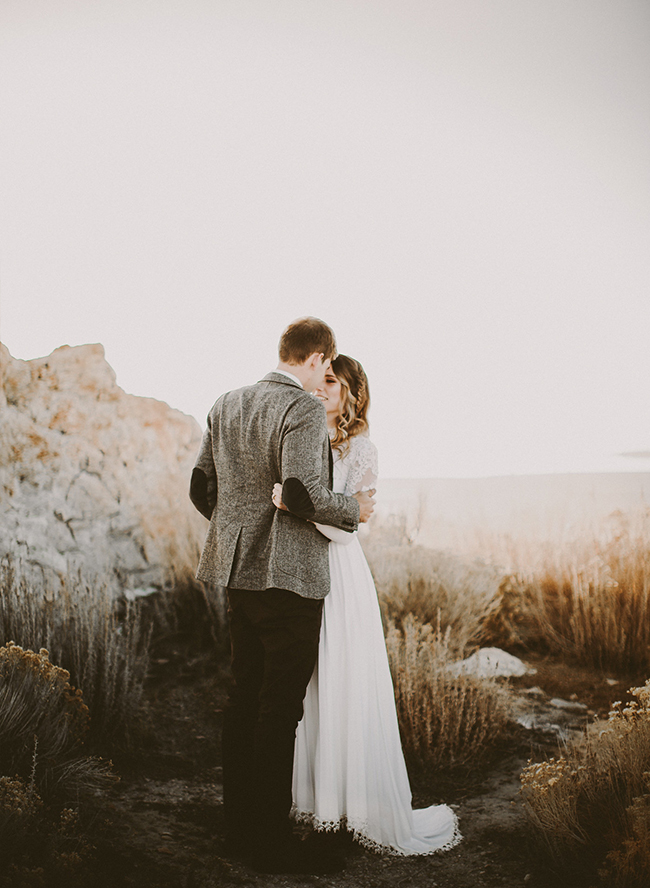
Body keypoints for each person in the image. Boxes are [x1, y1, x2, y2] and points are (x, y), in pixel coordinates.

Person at [189, 318, 376, 875]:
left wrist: (235, 534)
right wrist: (354, 512)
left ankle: (237, 831)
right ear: (319, 357)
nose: (325, 377)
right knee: (278, 710)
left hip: (237, 577)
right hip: (290, 579)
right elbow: (300, 492)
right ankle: (270, 841)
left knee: (243, 699)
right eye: (326, 365)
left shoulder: (227, 402)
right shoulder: (298, 409)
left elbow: (202, 488)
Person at [273, 355, 461, 855]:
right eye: (320, 379)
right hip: (300, 574)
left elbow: (346, 526)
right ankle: (315, 804)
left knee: (343, 683)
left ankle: (353, 810)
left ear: (350, 392)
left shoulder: (360, 449)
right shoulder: (301, 436)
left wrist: (295, 505)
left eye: (331, 383)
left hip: (340, 577)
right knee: (308, 688)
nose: (321, 388)